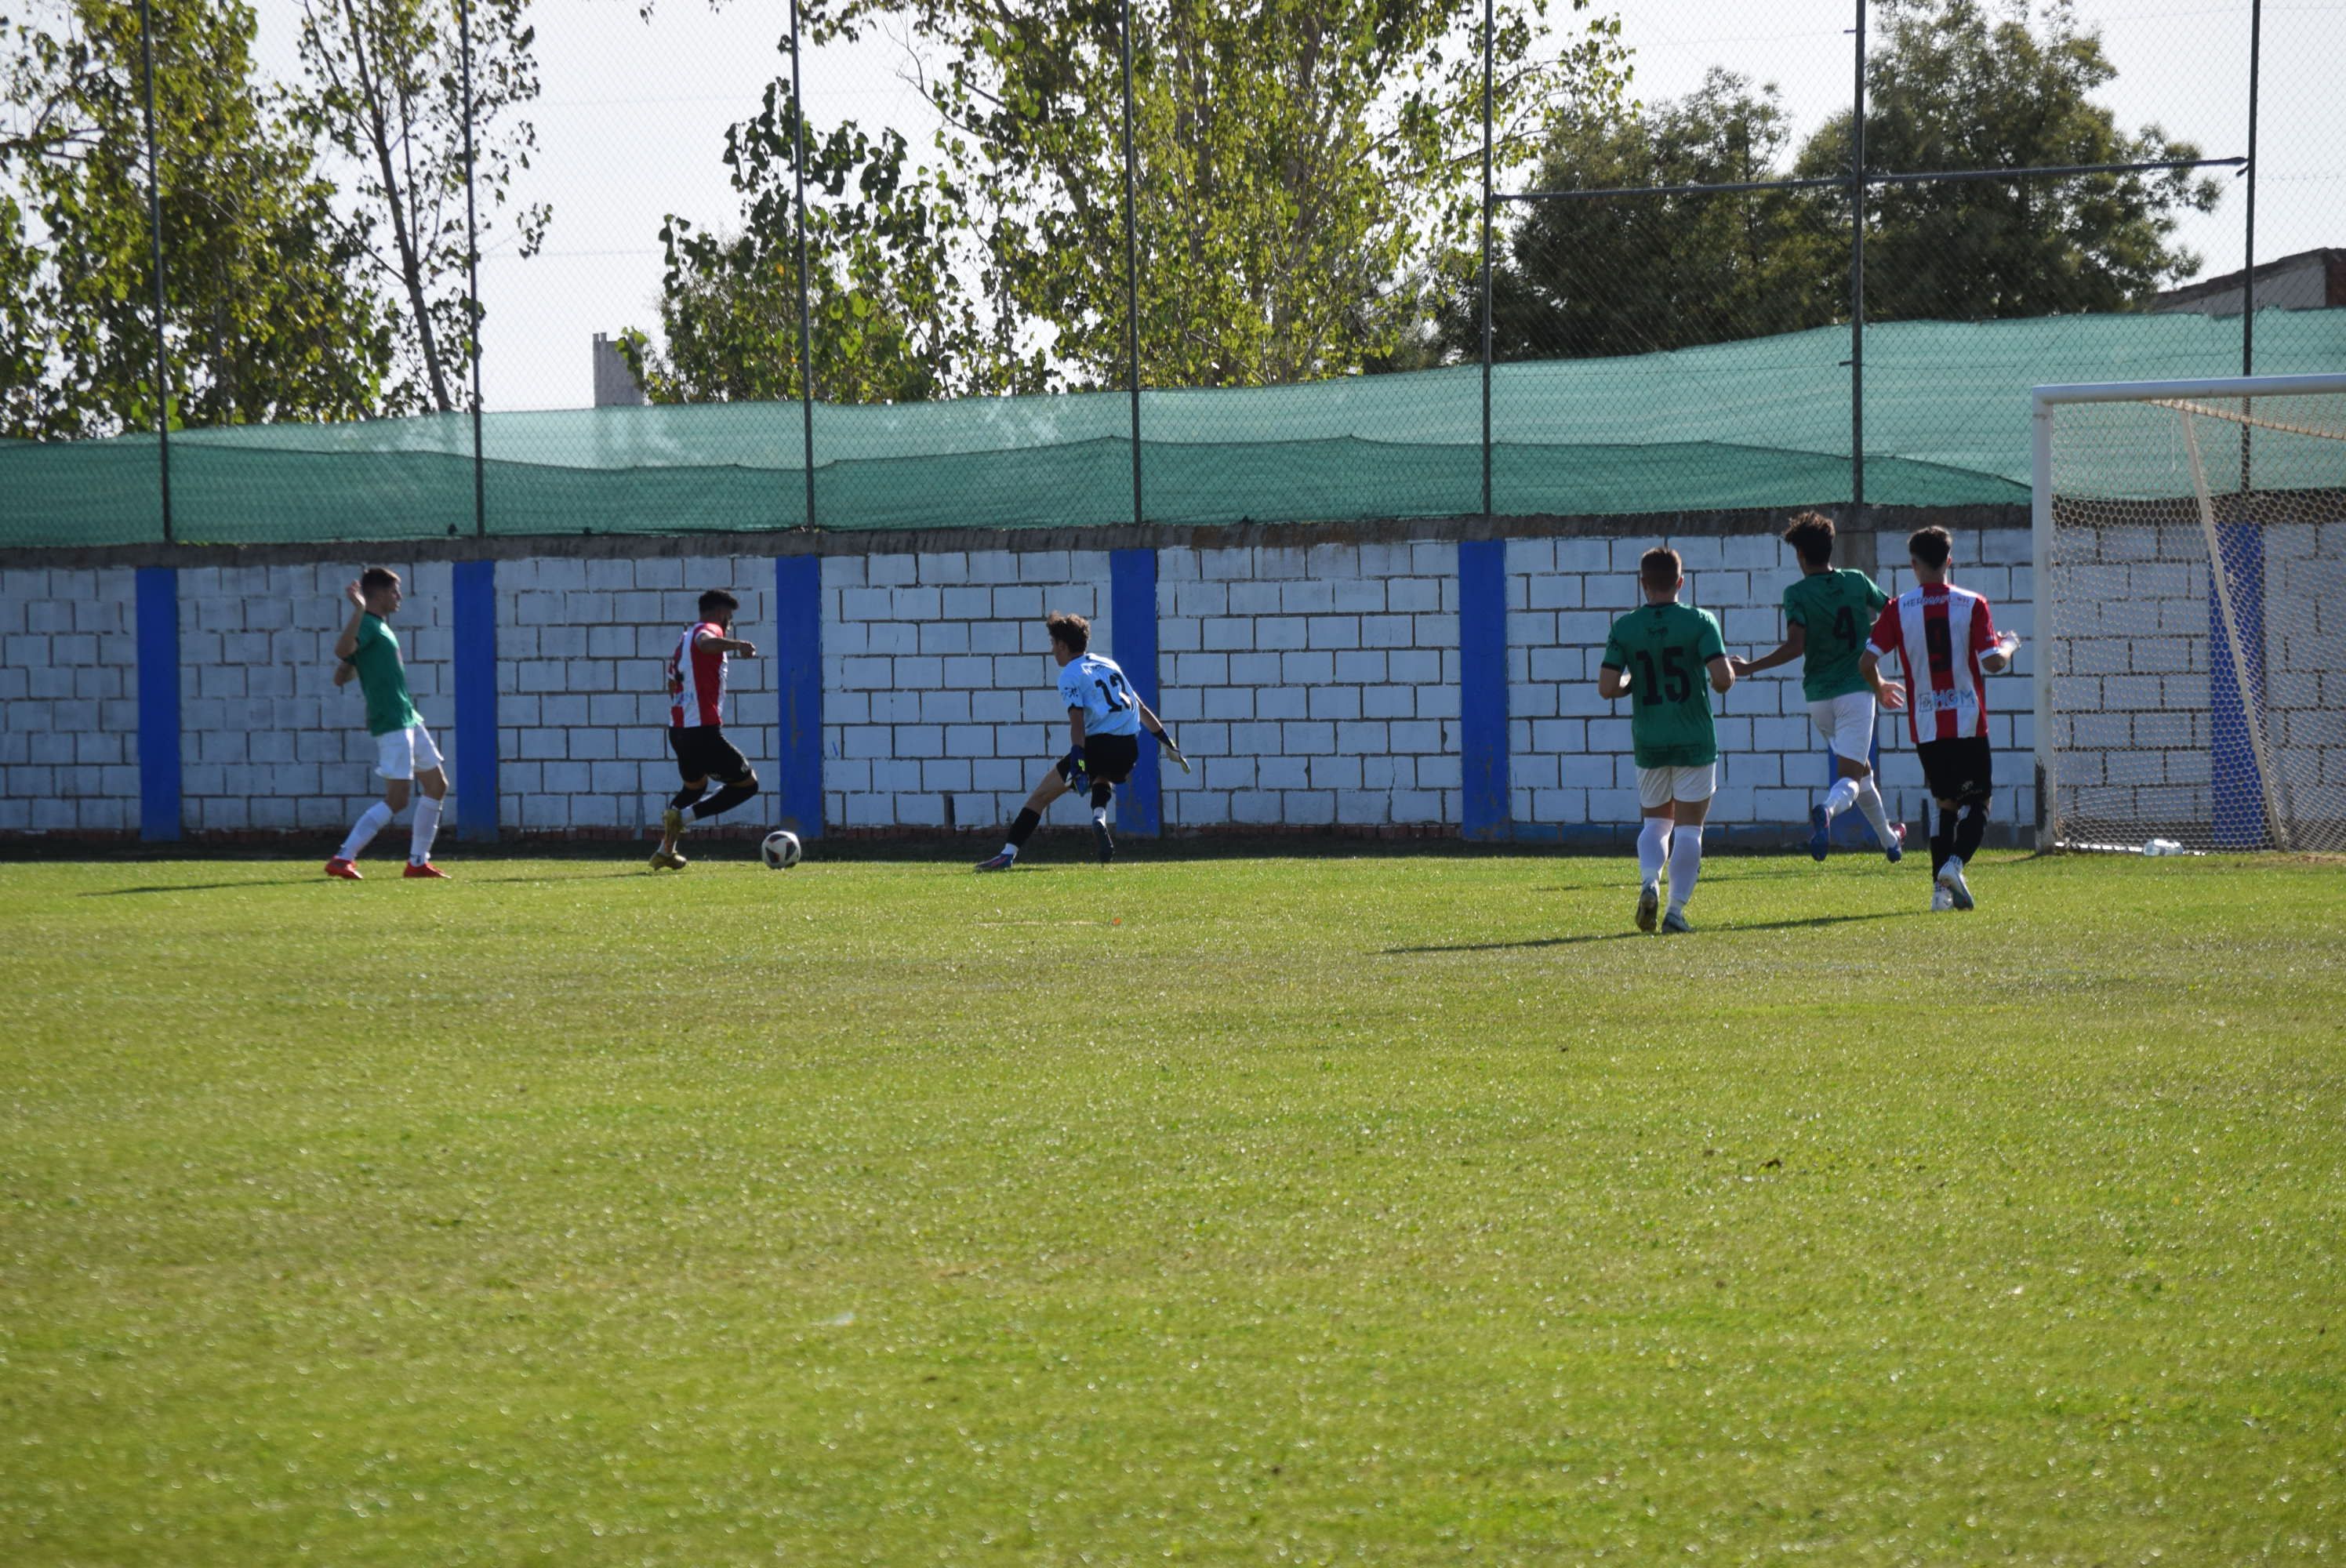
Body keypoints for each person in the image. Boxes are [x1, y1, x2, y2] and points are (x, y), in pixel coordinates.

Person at [1859, 526, 2022, 912]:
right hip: (1967, 719)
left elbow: (1866, 661)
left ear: (1913, 565)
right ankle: (1953, 865)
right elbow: (1992, 662)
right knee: (1979, 802)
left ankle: (1939, 894)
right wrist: (2010, 643)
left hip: (1927, 724)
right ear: (1950, 561)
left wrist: (1881, 686)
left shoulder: (1897, 608)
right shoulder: (1972, 603)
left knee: (1946, 804)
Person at [1731, 511, 1907, 862]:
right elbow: (1894, 611)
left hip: (1818, 700)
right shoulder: (1856, 582)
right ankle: (1826, 810)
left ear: (1800, 556)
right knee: (1849, 778)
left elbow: (1796, 646)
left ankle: (1890, 840)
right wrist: (1871, 633)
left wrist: (1750, 668)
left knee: (1861, 773)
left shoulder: (1796, 594)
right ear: (1832, 547)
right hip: (1856, 692)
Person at [975, 612, 1186, 871]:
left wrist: (1078, 759)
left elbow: (1077, 721)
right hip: (1129, 749)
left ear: (1063, 645)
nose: (1052, 651)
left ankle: (1006, 855)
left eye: (1053, 644)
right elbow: (1140, 707)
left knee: (1039, 798)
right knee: (1103, 775)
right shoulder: (1109, 665)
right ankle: (1099, 816)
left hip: (1098, 747)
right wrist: (1167, 742)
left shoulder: (1070, 675)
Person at [1598, 546, 1734, 933]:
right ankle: (1675, 912)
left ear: (1642, 584)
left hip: (1650, 739)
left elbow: (1607, 687)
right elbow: (1722, 680)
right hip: (1694, 738)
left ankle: (1648, 883)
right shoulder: (1701, 621)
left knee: (1656, 825)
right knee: (1690, 829)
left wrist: (1632, 683)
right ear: (1680, 581)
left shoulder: (1624, 627)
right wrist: (1727, 674)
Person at [325, 568, 448, 880]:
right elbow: (342, 651)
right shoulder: (366, 621)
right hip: (392, 720)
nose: (400, 597)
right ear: (377, 595)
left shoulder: (377, 627)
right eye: (395, 591)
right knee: (398, 799)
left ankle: (418, 862)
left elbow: (341, 674)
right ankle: (343, 857)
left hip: (408, 716)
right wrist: (358, 609)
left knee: (437, 785)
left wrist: (355, 667)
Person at [648, 589, 760, 871]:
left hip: (679, 731)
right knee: (747, 785)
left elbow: (672, 684)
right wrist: (738, 645)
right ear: (721, 614)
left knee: (694, 787)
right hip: (702, 731)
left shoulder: (682, 640)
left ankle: (665, 851)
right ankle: (683, 819)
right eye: (729, 618)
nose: (729, 623)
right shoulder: (706, 631)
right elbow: (706, 643)